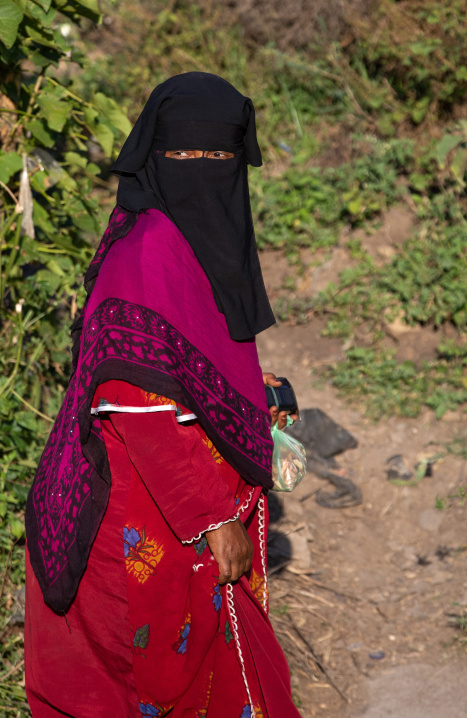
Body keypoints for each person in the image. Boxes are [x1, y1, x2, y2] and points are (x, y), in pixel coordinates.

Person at [25, 72, 302, 718]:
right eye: (186, 155)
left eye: (219, 156)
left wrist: (247, 395)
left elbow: (186, 355)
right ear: (155, 155)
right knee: (141, 688)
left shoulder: (190, 243)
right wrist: (212, 519)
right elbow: (137, 401)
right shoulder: (147, 253)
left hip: (168, 518)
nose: (204, 171)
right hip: (133, 527)